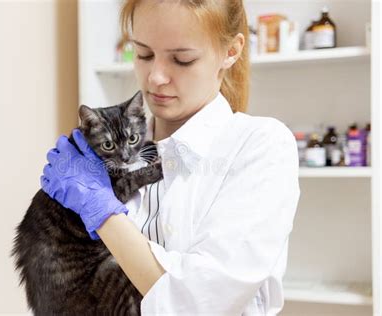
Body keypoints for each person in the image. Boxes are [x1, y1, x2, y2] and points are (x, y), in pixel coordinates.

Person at [41, 0, 300, 315]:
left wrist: (102, 212)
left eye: (182, 59)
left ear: (231, 51)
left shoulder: (261, 146)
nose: (155, 78)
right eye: (144, 54)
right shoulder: (111, 152)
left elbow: (197, 303)